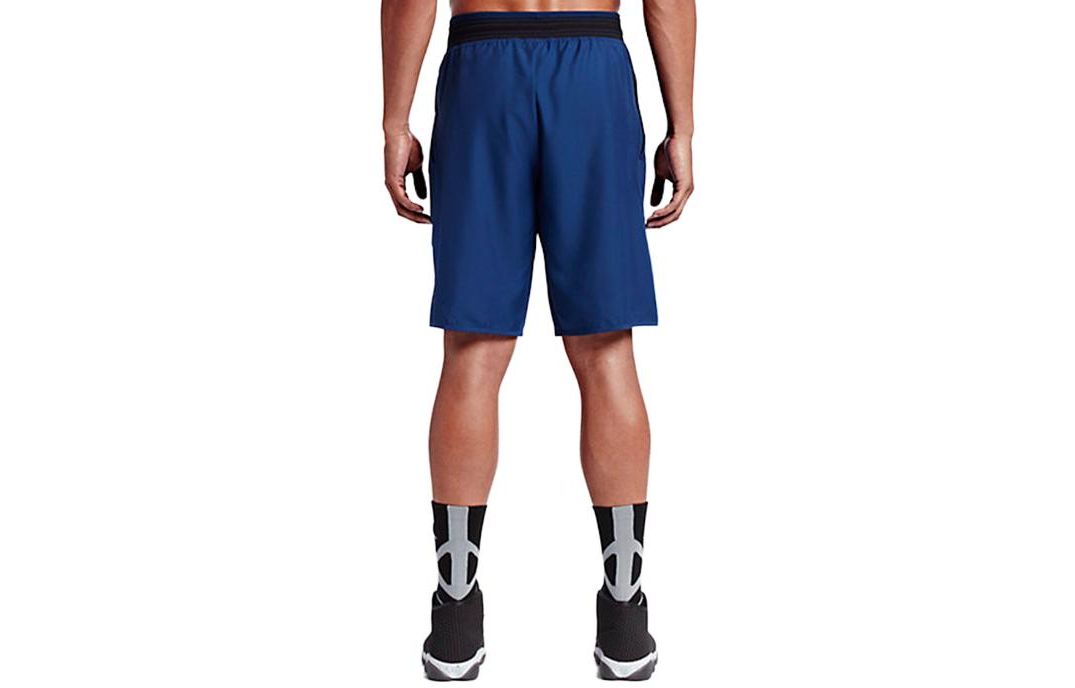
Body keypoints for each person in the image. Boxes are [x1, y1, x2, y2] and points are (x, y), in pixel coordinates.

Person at [381, 0, 695, 680]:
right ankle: (624, 615)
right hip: (593, 73)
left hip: (481, 70)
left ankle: (455, 615)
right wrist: (683, 128)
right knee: (606, 350)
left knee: (473, 349)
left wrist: (394, 121)